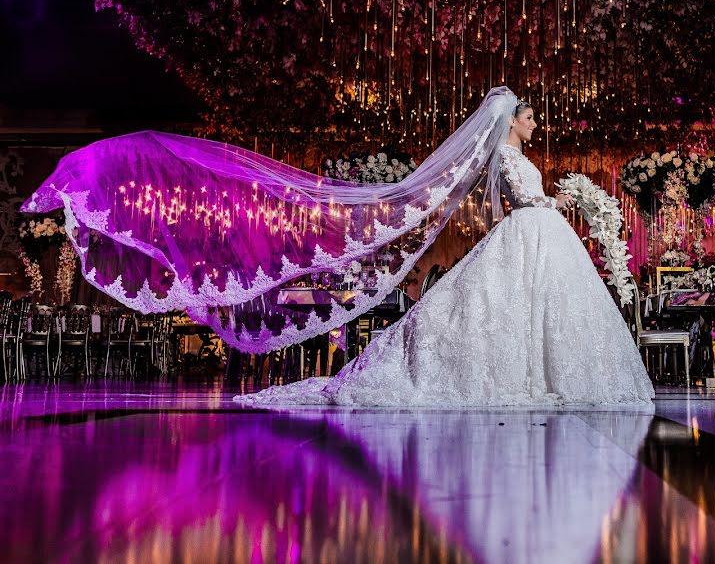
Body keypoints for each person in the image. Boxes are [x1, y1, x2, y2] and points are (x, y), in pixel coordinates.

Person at [236, 97, 654, 407]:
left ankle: (546, 373)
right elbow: (529, 200)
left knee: (540, 305)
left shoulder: (519, 155)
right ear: (511, 121)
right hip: (532, 227)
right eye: (529, 118)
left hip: (541, 234)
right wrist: (567, 202)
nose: (535, 124)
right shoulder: (505, 156)